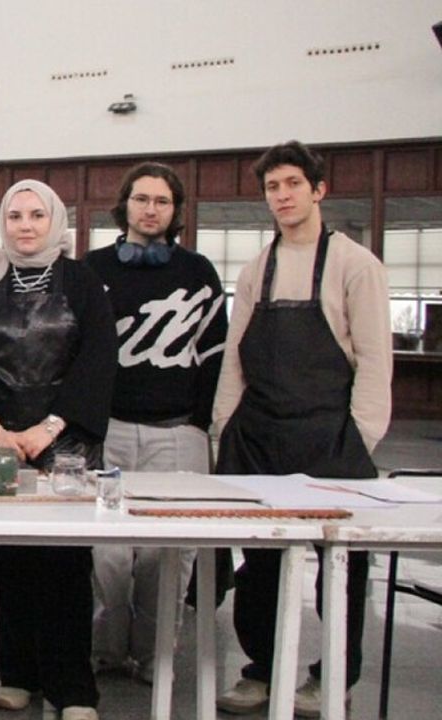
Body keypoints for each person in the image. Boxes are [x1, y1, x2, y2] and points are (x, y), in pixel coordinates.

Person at [213, 141, 392, 718]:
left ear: (318, 190)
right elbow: (235, 357)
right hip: (259, 435)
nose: (283, 195)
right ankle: (262, 670)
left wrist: (359, 438)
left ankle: (333, 675)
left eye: (293, 184)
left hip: (330, 437)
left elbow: (374, 359)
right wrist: (225, 427)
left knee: (343, 566)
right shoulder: (256, 268)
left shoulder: (356, 265)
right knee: (260, 564)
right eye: (273, 187)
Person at [0, 179, 116, 720]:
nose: (25, 225)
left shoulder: (83, 281)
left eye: (36, 215)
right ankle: (18, 674)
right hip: (1, 440)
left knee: (66, 566)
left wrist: (49, 427)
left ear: (55, 222)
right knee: (11, 562)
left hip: (66, 441)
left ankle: (73, 688)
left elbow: (98, 359)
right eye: (15, 215)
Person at [84, 162, 227, 683]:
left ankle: (154, 656)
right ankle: (106, 649)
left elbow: (215, 355)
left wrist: (200, 425)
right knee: (109, 555)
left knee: (167, 555)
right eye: (141, 199)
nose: (150, 209)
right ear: (124, 205)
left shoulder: (198, 272)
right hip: (110, 432)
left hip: (178, 433)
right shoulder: (93, 269)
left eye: (162, 201)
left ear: (175, 211)